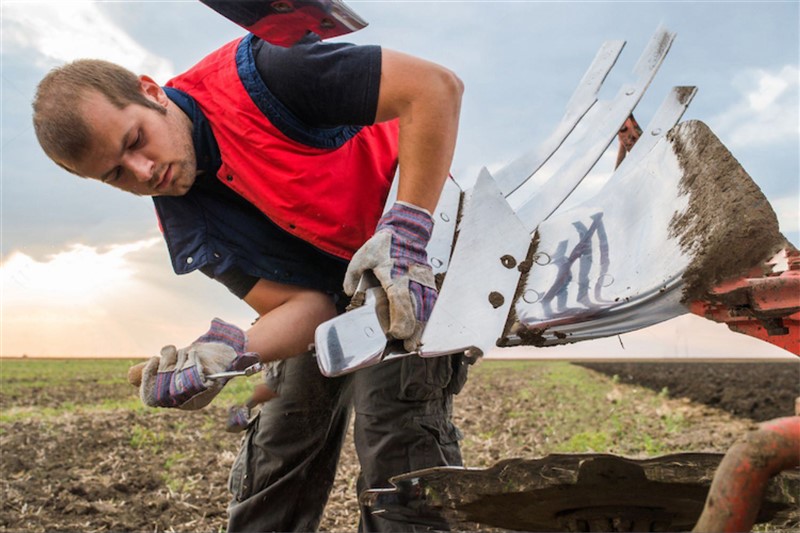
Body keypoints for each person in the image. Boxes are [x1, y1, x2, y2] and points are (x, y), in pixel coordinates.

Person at [32, 28, 468, 533]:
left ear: (150, 91)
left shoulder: (267, 74)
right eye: (115, 175)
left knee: (395, 440)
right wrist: (225, 354)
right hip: (333, 288)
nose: (144, 172)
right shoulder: (186, 220)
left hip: (410, 266)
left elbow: (435, 88)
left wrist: (409, 229)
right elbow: (309, 309)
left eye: (135, 141)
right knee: (279, 443)